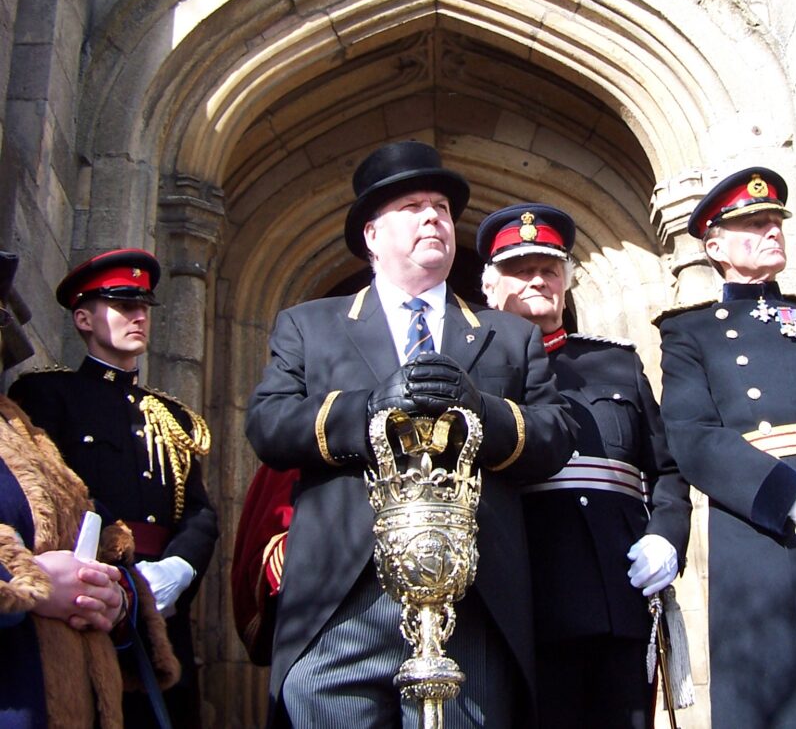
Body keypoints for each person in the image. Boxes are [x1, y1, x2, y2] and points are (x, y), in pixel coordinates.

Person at [245, 140, 576, 728]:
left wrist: (481, 412)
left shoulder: (508, 335)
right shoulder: (310, 324)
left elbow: (554, 434)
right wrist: (369, 408)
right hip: (341, 597)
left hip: (472, 604)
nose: (433, 218)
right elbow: (268, 425)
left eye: (443, 209)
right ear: (371, 235)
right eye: (412, 207)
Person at [654, 167, 796, 726]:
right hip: (759, 519)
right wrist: (795, 501)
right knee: (777, 689)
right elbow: (693, 435)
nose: (771, 232)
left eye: (775, 222)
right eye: (753, 225)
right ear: (715, 246)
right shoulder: (689, 331)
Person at [477, 203, 692, 729]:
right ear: (490, 287)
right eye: (519, 270)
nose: (537, 281)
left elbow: (665, 468)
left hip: (616, 592)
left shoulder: (614, 361)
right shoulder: (475, 365)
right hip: (523, 593)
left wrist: (668, 535)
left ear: (566, 283)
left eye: (548, 269)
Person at [9, 248, 217, 728]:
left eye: (143, 306)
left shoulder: (173, 416)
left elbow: (199, 512)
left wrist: (178, 570)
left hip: (162, 607)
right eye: (123, 305)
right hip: (86, 596)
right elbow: (42, 487)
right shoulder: (45, 396)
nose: (138, 316)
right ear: (83, 317)